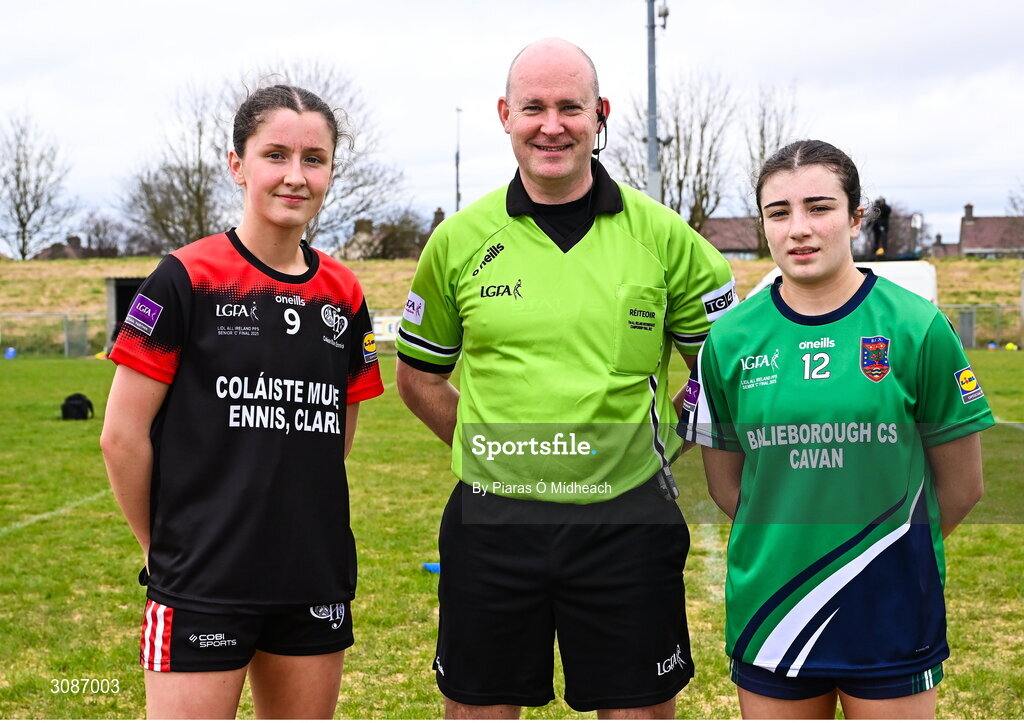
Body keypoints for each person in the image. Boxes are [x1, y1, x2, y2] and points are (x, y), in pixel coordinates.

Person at [395, 38, 736, 719]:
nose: (552, 124)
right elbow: (419, 377)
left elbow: (722, 373)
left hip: (628, 518)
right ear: (505, 115)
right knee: (477, 708)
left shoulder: (668, 239)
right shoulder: (458, 241)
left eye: (570, 107)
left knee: (636, 708)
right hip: (491, 520)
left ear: (600, 114)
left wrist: (660, 439)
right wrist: (496, 447)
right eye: (534, 108)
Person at [677, 140, 993, 719]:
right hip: (773, 606)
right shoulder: (729, 339)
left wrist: (885, 551)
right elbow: (729, 490)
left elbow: (963, 486)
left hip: (891, 605)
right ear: (764, 227)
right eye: (779, 212)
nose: (799, 228)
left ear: (854, 217)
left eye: (819, 207)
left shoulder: (917, 327)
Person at [100, 85, 384, 719]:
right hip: (202, 578)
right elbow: (121, 437)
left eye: (314, 159)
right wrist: (160, 549)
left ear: (332, 170)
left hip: (312, 577)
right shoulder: (184, 278)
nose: (295, 175)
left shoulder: (342, 291)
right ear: (237, 165)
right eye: (275, 154)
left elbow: (336, 431)